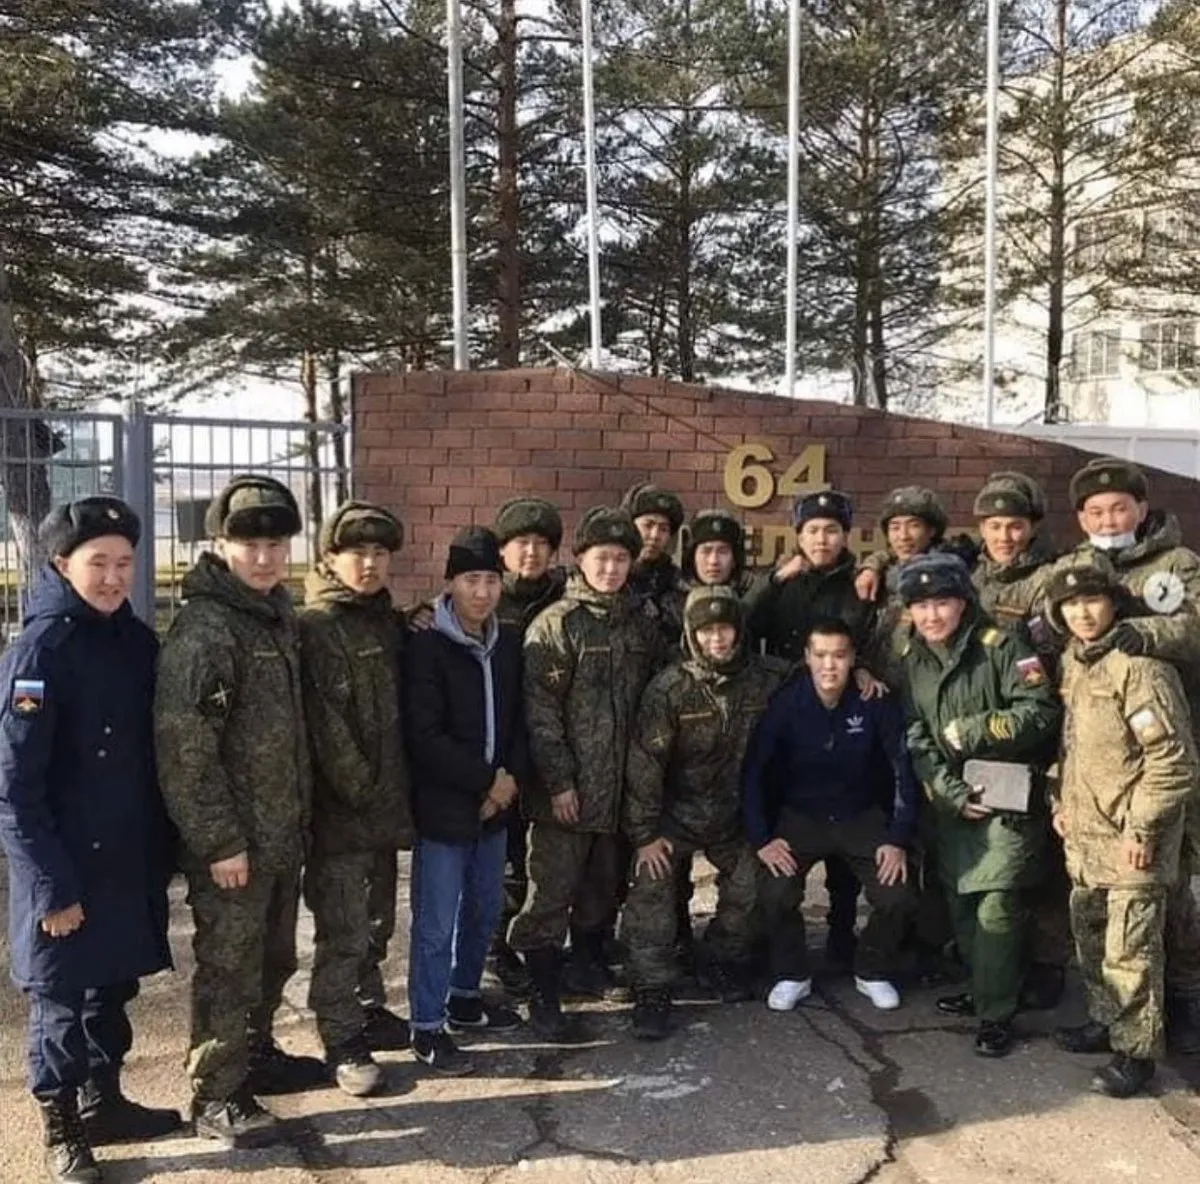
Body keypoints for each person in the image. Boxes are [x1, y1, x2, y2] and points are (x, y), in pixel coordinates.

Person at [0, 498, 179, 1184]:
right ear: (60, 564)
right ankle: (62, 1127)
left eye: (124, 563)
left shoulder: (135, 642)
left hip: (124, 860)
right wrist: (51, 888)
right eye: (97, 563)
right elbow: (14, 789)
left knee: (112, 989)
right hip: (64, 866)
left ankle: (105, 1102)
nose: (112, 577)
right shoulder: (40, 652)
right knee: (60, 1002)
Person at [156, 475, 323, 1149]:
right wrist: (220, 841)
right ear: (221, 546)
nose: (264, 557)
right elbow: (185, 749)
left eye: (276, 544)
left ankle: (255, 1056)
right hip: (234, 847)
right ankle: (216, 1095)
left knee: (272, 958)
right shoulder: (207, 629)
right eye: (249, 544)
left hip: (280, 835)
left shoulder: (274, 615)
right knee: (228, 968)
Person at [1041, 456, 1200, 1052]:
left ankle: (1180, 1005)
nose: (1109, 520)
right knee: (1106, 911)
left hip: (1168, 746)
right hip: (1100, 758)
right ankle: (1115, 1017)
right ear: (1081, 519)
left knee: (1168, 897)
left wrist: (1147, 634)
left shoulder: (1176, 565)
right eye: (1096, 512)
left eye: (1119, 509)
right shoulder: (1078, 569)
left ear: (1141, 509)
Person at [900, 553, 1062, 1058]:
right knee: (963, 905)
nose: (931, 616)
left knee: (997, 907)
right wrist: (948, 791)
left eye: (941, 603)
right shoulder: (914, 659)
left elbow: (1040, 711)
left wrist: (974, 731)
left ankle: (996, 1015)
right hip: (954, 804)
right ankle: (984, 988)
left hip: (1005, 802)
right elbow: (916, 734)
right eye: (921, 606)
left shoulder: (1002, 646)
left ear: (963, 603)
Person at [511, 507, 662, 1040]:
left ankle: (587, 965)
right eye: (602, 558)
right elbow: (540, 713)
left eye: (621, 559)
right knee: (551, 892)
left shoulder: (642, 621)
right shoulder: (556, 624)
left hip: (620, 790)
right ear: (580, 560)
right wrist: (559, 782)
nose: (611, 569)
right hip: (567, 795)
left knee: (602, 889)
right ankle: (543, 990)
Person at [622, 586, 790, 1039]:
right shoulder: (670, 688)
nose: (717, 638)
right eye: (707, 630)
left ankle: (720, 960)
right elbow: (645, 763)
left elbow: (823, 672)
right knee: (651, 889)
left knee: (750, 888)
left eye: (726, 628)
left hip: (736, 816)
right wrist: (644, 834)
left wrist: (863, 673)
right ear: (692, 635)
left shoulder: (768, 678)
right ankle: (652, 986)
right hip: (675, 815)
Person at [402, 527, 529, 1076]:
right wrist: (484, 783)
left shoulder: (509, 643)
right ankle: (427, 1025)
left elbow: (522, 720)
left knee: (483, 909)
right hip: (446, 807)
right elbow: (424, 735)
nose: (481, 592)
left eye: (491, 580)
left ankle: (464, 997)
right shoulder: (426, 645)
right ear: (450, 583)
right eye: (471, 580)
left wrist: (508, 782)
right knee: (436, 924)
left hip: (497, 806)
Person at [743, 618, 918, 1014]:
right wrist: (762, 838)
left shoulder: (873, 701)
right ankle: (792, 973)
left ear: (853, 658)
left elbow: (901, 770)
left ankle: (871, 970)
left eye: (839, 656)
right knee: (774, 892)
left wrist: (897, 838)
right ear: (806, 657)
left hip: (860, 816)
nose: (829, 665)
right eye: (820, 655)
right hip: (801, 816)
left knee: (898, 895)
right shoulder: (787, 703)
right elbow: (754, 771)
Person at [298, 501, 411, 1098]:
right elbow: (326, 726)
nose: (369, 564)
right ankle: (341, 1039)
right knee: (342, 929)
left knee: (376, 920)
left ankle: (367, 1008)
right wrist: (361, 790)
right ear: (330, 558)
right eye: (356, 553)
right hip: (341, 813)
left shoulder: (384, 621)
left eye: (379, 553)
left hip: (383, 807)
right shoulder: (318, 626)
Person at [748, 489, 881, 968]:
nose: (822, 539)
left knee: (846, 817)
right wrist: (771, 582)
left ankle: (842, 932)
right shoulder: (784, 580)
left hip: (848, 709)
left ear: (846, 535)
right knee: (788, 815)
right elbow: (743, 624)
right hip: (791, 709)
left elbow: (877, 632)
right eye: (812, 531)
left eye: (831, 530)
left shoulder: (863, 581)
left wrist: (863, 667)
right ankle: (775, 938)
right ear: (798, 536)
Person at [970, 471, 1069, 1010]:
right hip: (990, 734)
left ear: (1031, 527)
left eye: (1014, 525)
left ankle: (1048, 963)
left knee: (1048, 856)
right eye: (994, 525)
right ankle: (998, 958)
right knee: (1002, 849)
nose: (1004, 536)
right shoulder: (971, 574)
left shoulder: (1050, 579)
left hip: (1042, 728)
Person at [487, 496, 567, 994]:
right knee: (504, 857)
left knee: (542, 860)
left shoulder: (565, 598)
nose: (531, 553)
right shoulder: (485, 597)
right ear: (503, 550)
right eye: (522, 543)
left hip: (550, 746)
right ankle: (494, 948)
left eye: (541, 544)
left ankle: (537, 945)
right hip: (499, 750)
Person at [621, 481, 690, 646]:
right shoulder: (611, 578)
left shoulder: (678, 584)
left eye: (663, 529)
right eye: (648, 525)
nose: (655, 535)